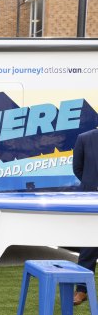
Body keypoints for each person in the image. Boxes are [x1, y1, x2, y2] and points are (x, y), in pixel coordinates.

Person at [72, 127, 98, 305]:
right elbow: (78, 169)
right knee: (89, 246)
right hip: (92, 200)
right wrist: (92, 186)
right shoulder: (84, 138)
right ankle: (81, 290)